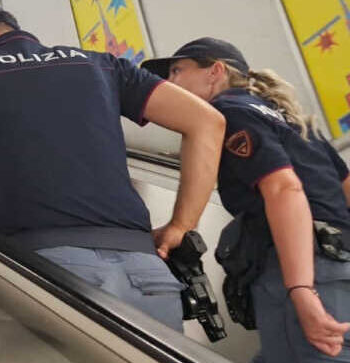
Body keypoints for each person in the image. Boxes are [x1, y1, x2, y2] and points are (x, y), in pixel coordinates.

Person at [0, 5, 225, 330]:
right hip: (148, 274)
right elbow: (207, 122)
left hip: (50, 274)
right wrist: (181, 225)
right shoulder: (100, 63)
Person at [143, 38, 350, 361]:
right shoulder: (290, 119)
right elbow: (346, 187)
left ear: (215, 71)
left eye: (176, 70)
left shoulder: (228, 113)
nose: (169, 83)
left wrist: (301, 289)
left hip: (301, 267)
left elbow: (285, 189)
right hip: (339, 262)